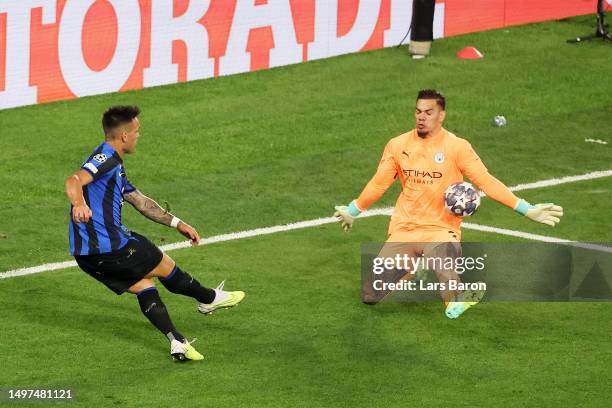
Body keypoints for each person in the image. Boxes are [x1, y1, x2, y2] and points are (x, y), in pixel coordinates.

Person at [334, 89, 563, 319]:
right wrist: (352, 211)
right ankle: (411, 266)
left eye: (428, 112)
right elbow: (378, 184)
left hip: (441, 229)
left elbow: (486, 182)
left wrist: (527, 209)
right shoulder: (397, 145)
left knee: (443, 259)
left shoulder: (457, 147)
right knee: (369, 295)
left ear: (441, 115)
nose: (421, 117)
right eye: (418, 111)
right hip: (405, 229)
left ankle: (455, 298)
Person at [65, 105, 245, 361]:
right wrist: (79, 204)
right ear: (124, 135)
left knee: (144, 286)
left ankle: (177, 342)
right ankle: (208, 299)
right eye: (137, 131)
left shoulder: (115, 166)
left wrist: (177, 223)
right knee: (166, 266)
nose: (139, 135)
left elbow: (140, 201)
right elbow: (73, 181)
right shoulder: (104, 158)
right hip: (113, 246)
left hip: (86, 257)